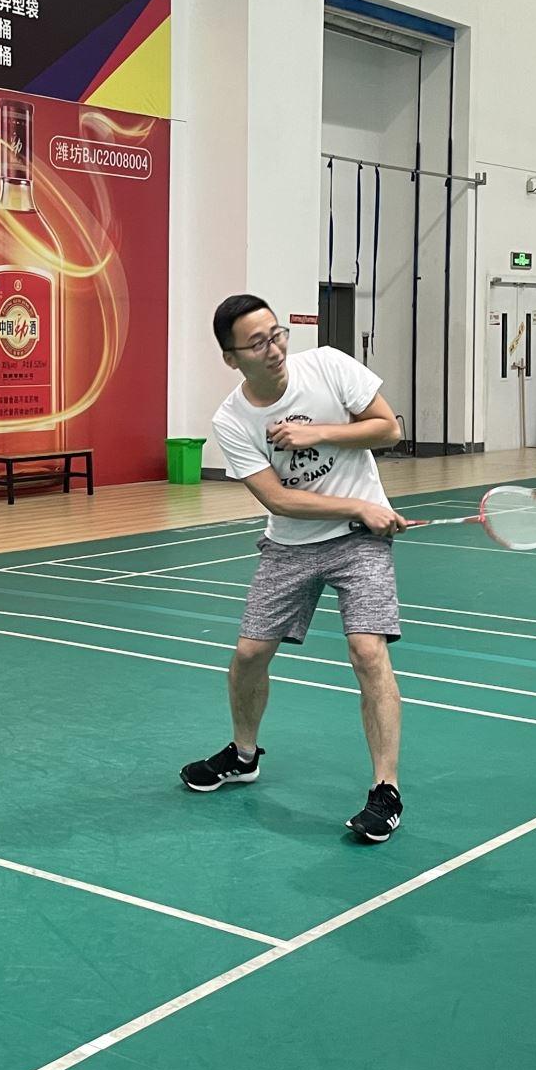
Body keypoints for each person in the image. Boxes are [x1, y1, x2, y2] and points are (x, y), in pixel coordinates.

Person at [180, 295, 410, 842]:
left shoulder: (328, 365)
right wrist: (359, 506)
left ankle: (386, 789)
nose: (275, 348)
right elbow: (278, 500)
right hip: (291, 545)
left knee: (368, 652)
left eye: (277, 334)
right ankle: (243, 755)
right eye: (257, 343)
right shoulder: (232, 419)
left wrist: (320, 433)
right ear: (232, 358)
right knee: (249, 655)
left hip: (359, 542)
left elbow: (388, 428)